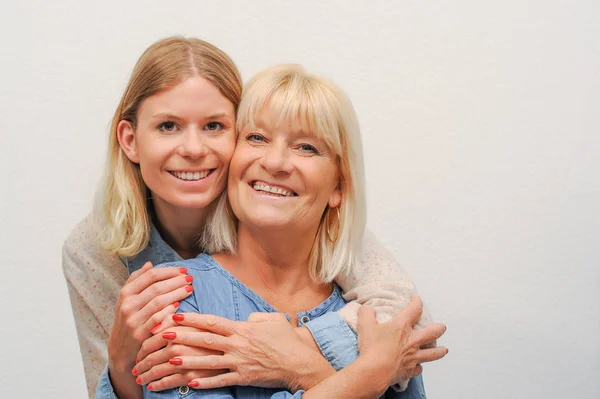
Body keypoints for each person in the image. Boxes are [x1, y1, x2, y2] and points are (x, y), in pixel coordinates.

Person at [62, 37, 435, 399]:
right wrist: (121, 363)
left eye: (214, 126)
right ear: (130, 140)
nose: (193, 149)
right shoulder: (96, 249)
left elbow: (405, 317)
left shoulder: (282, 202)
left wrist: (296, 354)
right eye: (167, 126)